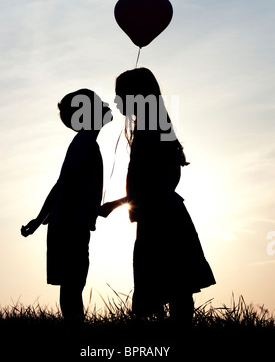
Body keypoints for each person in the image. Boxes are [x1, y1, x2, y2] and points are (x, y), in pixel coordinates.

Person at [99, 67, 215, 332]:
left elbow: (156, 182)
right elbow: (159, 181)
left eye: (121, 95)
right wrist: (121, 204)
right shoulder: (156, 127)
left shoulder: (148, 131)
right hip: (166, 214)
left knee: (168, 284)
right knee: (174, 285)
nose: (117, 101)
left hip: (160, 219)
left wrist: (116, 205)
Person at [21, 89, 112, 326]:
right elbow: (65, 184)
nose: (106, 105)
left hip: (69, 223)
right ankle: (75, 330)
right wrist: (43, 218)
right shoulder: (84, 143)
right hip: (70, 225)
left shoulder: (85, 143)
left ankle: (74, 328)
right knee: (73, 283)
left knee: (72, 283)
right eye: (99, 103)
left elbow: (62, 184)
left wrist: (39, 219)